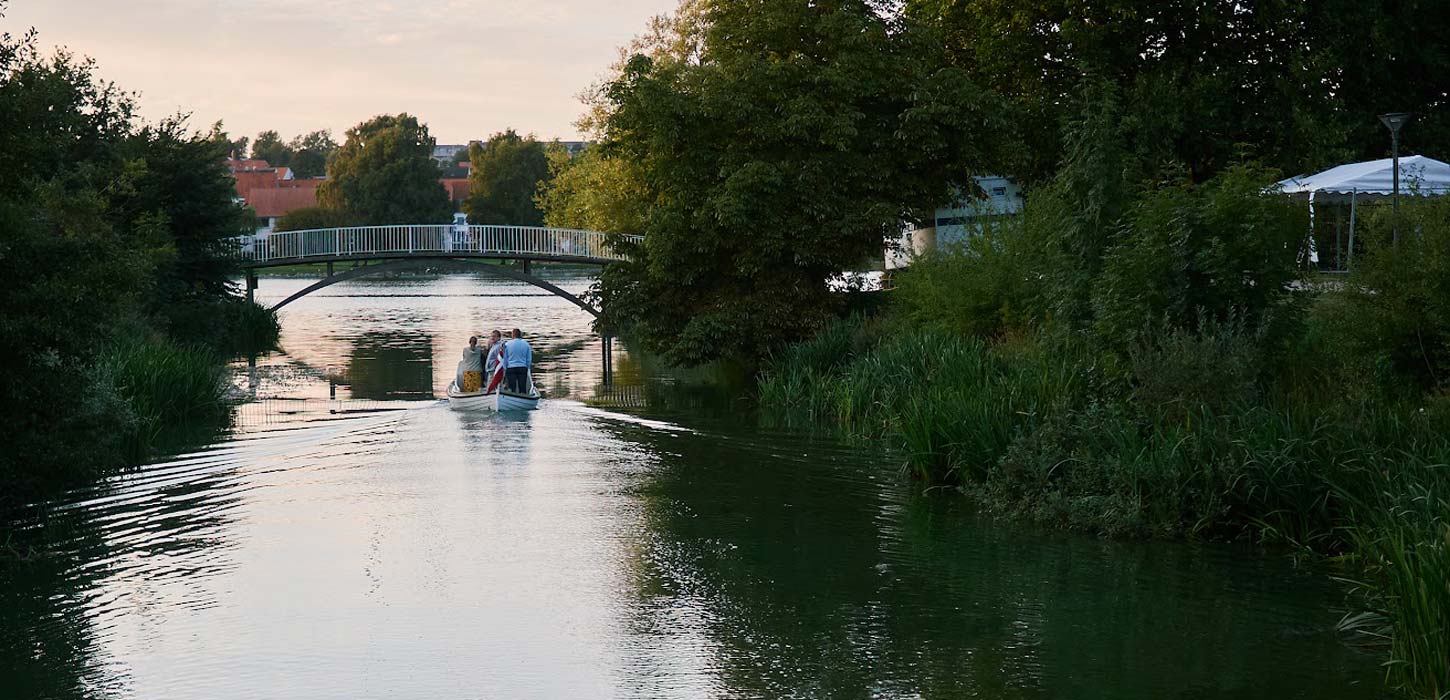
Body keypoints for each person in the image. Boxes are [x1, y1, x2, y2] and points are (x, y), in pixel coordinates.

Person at [503, 328, 533, 393]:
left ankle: (512, 398)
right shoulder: (526, 344)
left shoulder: (507, 344)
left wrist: (505, 368)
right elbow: (529, 359)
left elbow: (505, 358)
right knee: (522, 386)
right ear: (520, 335)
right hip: (522, 367)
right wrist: (527, 367)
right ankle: (523, 397)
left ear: (512, 335)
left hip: (511, 367)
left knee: (511, 387)